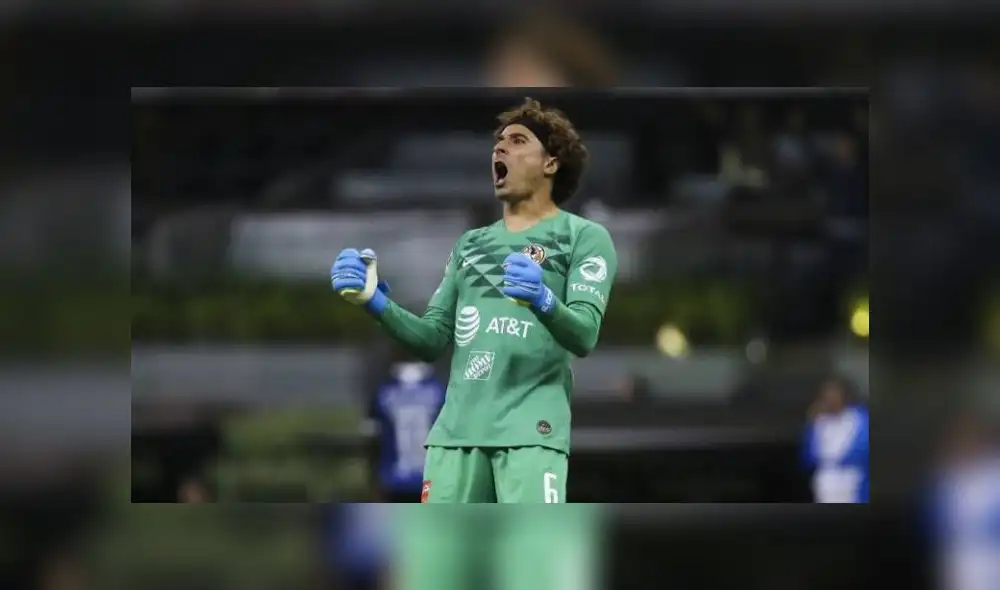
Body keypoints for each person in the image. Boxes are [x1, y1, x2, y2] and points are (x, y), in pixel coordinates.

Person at [331, 98, 617, 503]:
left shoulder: (583, 237)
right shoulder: (471, 245)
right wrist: (375, 302)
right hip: (453, 437)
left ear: (550, 163)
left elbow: (585, 335)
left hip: (529, 435)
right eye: (499, 142)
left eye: (518, 141)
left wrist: (542, 299)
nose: (500, 148)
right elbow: (431, 339)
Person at [369, 354, 445, 503]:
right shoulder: (439, 390)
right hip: (429, 482)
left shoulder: (384, 392)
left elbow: (373, 439)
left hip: (394, 479)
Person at [802, 376, 869, 503]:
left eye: (834, 393)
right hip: (825, 483)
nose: (830, 398)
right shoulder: (819, 421)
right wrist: (810, 424)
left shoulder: (859, 418)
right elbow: (807, 457)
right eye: (826, 394)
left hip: (853, 482)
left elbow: (864, 451)